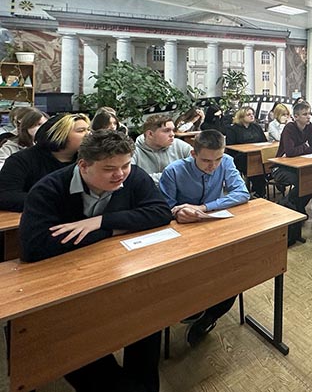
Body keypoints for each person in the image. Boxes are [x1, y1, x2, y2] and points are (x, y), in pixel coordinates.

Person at [19, 129, 171, 392]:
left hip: (120, 276)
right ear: (83, 165)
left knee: (148, 321)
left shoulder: (133, 175)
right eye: (109, 169)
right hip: (65, 290)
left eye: (125, 165)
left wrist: (102, 222)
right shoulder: (48, 189)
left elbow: (160, 213)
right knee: (88, 355)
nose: (120, 174)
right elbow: (35, 247)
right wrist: (113, 230)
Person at [159, 129, 250, 346]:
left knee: (236, 271)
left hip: (213, 228)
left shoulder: (226, 161)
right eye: (206, 160)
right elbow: (162, 208)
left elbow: (242, 193)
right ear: (193, 154)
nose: (213, 166)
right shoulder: (173, 171)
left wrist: (204, 207)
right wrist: (177, 212)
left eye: (218, 159)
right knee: (192, 275)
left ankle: (210, 316)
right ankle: (192, 306)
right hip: (182, 235)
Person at [0, 113, 91, 212]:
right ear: (58, 134)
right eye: (81, 130)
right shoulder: (21, 160)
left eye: (88, 130)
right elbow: (7, 196)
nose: (88, 134)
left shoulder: (87, 160)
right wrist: (53, 202)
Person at [273, 101, 312, 243]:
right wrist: (304, 146)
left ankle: (294, 207)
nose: (308, 117)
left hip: (298, 166)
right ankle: (289, 205)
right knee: (302, 183)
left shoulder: (309, 127)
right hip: (281, 168)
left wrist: (303, 148)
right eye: (305, 114)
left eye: (309, 114)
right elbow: (290, 152)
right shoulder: (289, 128)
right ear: (296, 116)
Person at [132, 114, 192, 183]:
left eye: (173, 130)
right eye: (167, 130)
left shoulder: (179, 145)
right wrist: (174, 175)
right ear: (150, 134)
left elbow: (197, 166)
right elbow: (133, 179)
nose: (172, 134)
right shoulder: (134, 152)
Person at [226, 106, 268, 197]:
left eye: (252, 114)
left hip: (257, 154)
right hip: (240, 156)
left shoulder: (256, 127)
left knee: (264, 162)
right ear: (241, 117)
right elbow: (230, 146)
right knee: (254, 165)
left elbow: (264, 141)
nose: (252, 116)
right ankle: (259, 191)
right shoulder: (233, 129)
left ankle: (260, 189)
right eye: (248, 114)